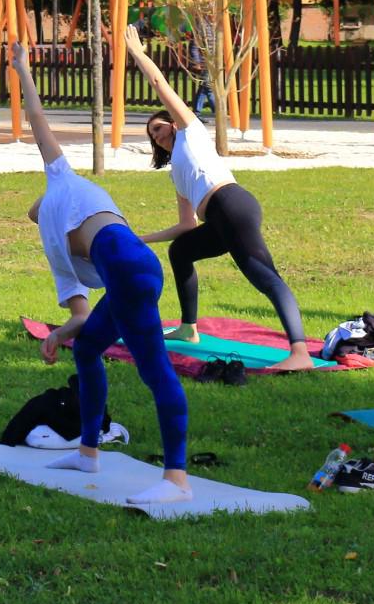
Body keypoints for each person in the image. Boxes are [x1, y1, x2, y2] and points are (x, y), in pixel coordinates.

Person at [9, 42, 191, 504]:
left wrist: (23, 69)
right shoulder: (59, 213)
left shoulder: (58, 196)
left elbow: (36, 118)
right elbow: (82, 317)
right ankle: (88, 451)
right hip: (133, 270)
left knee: (156, 371)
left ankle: (177, 480)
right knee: (88, 348)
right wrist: (59, 335)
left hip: (130, 270)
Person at [122, 25, 315, 372]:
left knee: (263, 276)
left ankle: (299, 352)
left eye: (159, 127)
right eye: (152, 135)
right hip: (217, 218)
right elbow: (186, 224)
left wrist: (138, 54)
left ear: (173, 123)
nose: (158, 135)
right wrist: (141, 238)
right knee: (181, 250)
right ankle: (189, 328)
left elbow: (159, 84)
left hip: (232, 205)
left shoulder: (190, 132)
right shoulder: (177, 172)